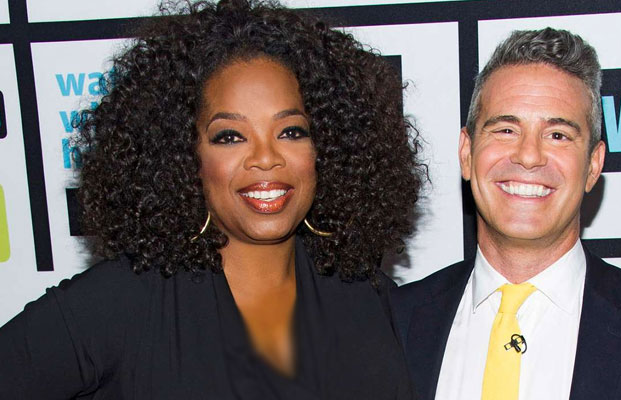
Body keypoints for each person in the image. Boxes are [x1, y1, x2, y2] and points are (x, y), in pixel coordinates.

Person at [0, 1, 423, 398]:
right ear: (186, 156)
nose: (265, 158)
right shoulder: (122, 302)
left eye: (291, 131)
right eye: (230, 136)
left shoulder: (368, 298)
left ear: (325, 148)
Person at [391, 28, 621, 400]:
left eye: (558, 135)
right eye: (506, 129)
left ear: (593, 164)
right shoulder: (392, 326)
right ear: (467, 153)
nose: (528, 156)